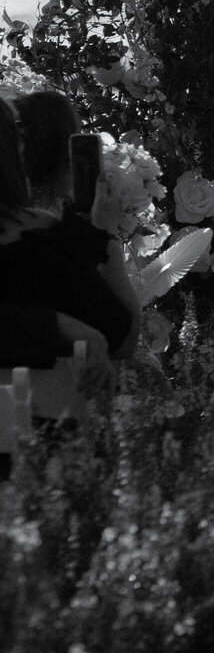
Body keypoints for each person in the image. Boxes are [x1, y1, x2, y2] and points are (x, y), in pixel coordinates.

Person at [0, 96, 138, 417]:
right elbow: (122, 339)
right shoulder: (41, 240)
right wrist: (106, 234)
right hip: (54, 433)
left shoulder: (47, 237)